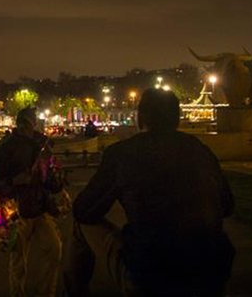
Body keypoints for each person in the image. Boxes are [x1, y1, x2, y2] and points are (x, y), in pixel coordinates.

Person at [65, 89, 235, 297]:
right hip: (210, 270)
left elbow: (84, 210)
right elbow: (227, 206)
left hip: (151, 270)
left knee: (80, 225)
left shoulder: (123, 153)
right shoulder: (200, 150)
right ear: (177, 118)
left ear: (140, 117)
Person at [0, 108, 65, 297]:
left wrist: (54, 179)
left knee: (54, 250)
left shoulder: (42, 146)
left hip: (39, 207)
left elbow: (51, 176)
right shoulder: (9, 147)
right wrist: (16, 181)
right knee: (19, 262)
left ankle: (45, 292)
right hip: (18, 209)